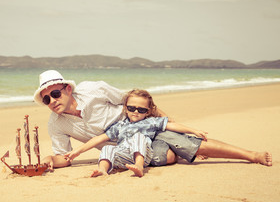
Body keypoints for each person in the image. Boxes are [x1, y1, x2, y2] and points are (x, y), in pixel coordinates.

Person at [33, 70, 272, 171]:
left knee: (188, 141)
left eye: (55, 93)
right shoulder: (56, 124)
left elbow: (131, 100)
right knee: (168, 155)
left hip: (141, 126)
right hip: (128, 151)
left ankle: (252, 155)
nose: (52, 101)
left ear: (67, 89)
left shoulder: (94, 90)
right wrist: (47, 160)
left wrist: (162, 120)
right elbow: (64, 157)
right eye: (46, 99)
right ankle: (178, 153)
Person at [64, 89, 208, 177]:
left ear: (148, 111)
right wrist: (78, 151)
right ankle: (102, 170)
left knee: (139, 137)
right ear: (125, 108)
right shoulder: (119, 125)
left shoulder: (150, 122)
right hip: (124, 158)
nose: (136, 112)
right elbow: (99, 139)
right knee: (107, 148)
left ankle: (139, 166)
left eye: (142, 110)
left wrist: (193, 131)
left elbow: (172, 126)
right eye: (132, 108)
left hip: (144, 155)